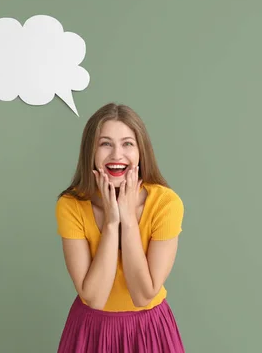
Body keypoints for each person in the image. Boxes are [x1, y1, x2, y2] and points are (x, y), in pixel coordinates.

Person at [55, 102, 185, 352]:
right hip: (90, 329)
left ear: (141, 152)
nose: (117, 155)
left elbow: (143, 295)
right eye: (105, 144)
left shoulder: (166, 203)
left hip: (150, 330)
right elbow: (93, 297)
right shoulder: (70, 205)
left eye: (127, 144)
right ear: (90, 152)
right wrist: (113, 223)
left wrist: (128, 219)